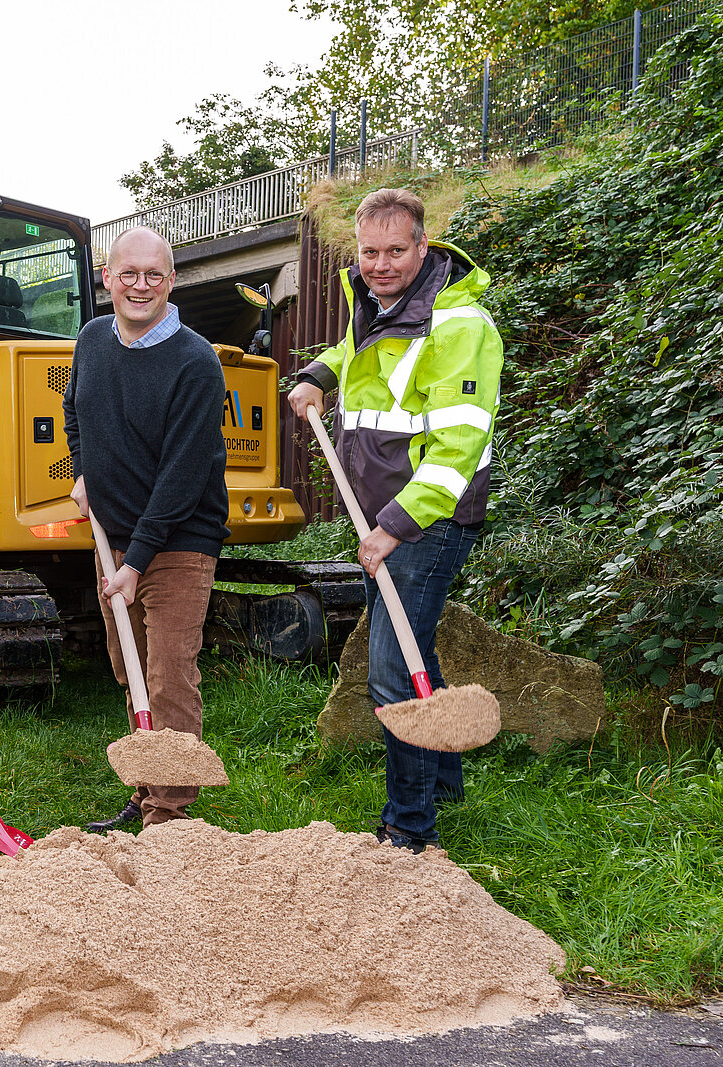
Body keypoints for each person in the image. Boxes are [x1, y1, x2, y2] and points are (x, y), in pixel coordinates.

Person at [287, 188, 503, 854]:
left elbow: (456, 451)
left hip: (430, 519)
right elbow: (358, 349)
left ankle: (409, 828)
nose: (381, 264)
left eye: (395, 251)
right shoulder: (380, 303)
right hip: (391, 513)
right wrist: (318, 377)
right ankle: (441, 783)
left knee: (390, 668)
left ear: (423, 244)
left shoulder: (459, 326)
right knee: (418, 652)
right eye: (370, 251)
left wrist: (393, 526)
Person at [64, 226, 230, 832]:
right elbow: (72, 411)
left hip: (179, 538)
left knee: (167, 674)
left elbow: (184, 475)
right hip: (113, 533)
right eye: (126, 273)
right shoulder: (90, 340)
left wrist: (136, 563)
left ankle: (169, 817)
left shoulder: (194, 361)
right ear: (106, 278)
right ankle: (148, 781)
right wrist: (81, 469)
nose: (139, 286)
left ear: (171, 281)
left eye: (152, 275)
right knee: (124, 662)